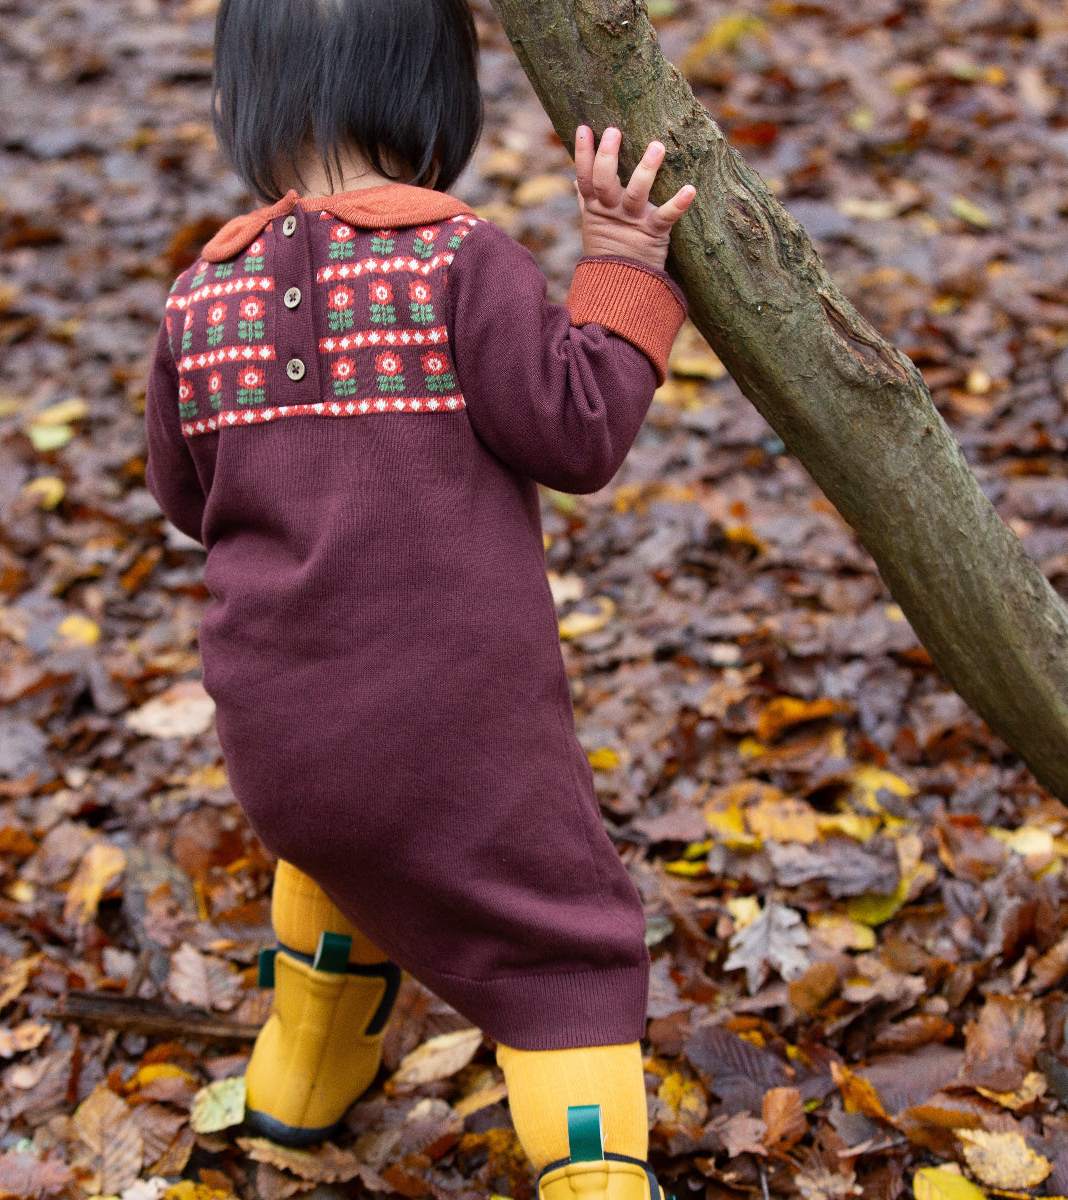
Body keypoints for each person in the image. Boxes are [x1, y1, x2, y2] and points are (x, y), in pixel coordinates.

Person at [143, 1, 695, 1197]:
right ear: (438, 95)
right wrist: (622, 267)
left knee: (339, 853)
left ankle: (296, 1089)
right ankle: (595, 1176)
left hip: (278, 736)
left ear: (242, 100)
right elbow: (578, 428)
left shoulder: (200, 296)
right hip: (458, 725)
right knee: (559, 932)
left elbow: (186, 495)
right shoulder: (458, 260)